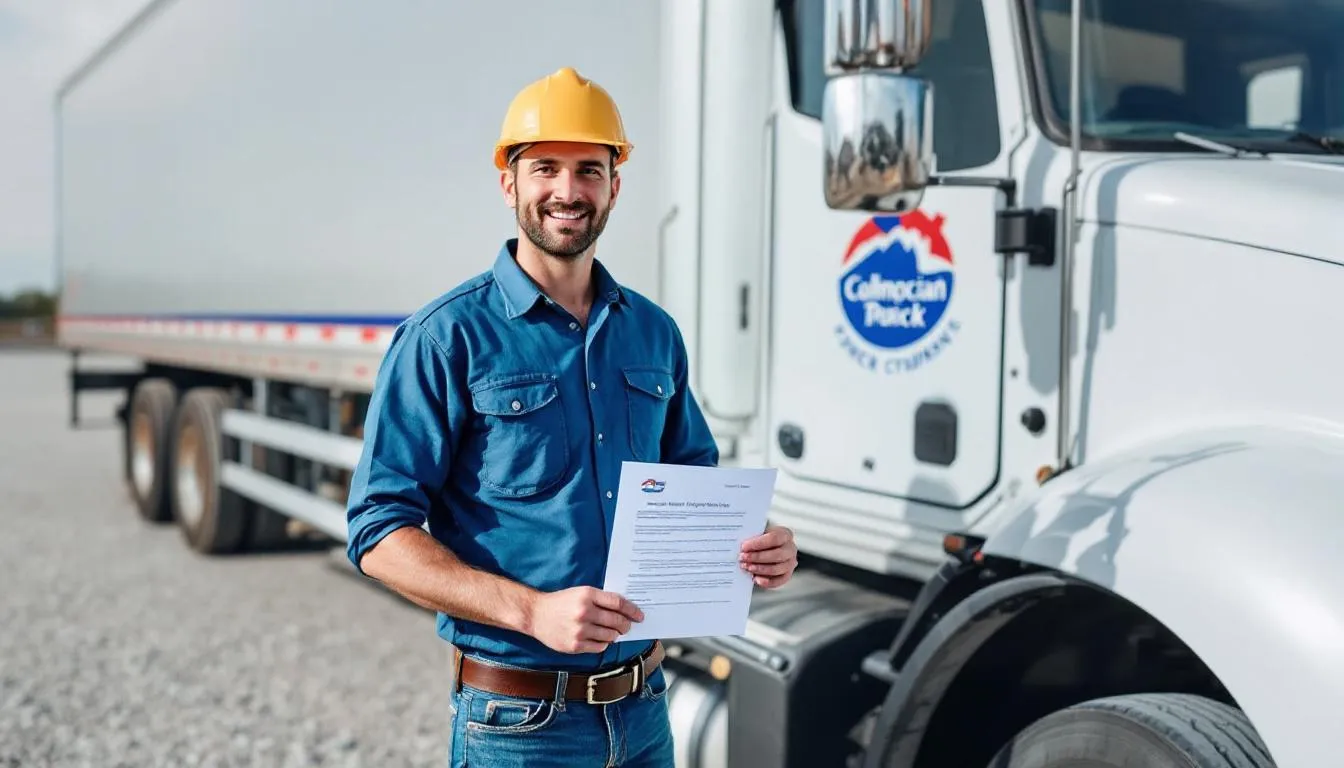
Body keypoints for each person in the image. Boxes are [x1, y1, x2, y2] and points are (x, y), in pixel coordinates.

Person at [344, 66, 800, 768]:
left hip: (646, 712)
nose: (567, 190)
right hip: (520, 724)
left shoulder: (653, 333)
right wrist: (532, 611)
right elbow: (378, 532)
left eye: (590, 169)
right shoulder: (445, 337)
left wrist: (753, 545)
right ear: (509, 184)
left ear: (615, 185)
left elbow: (689, 489)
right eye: (544, 168)